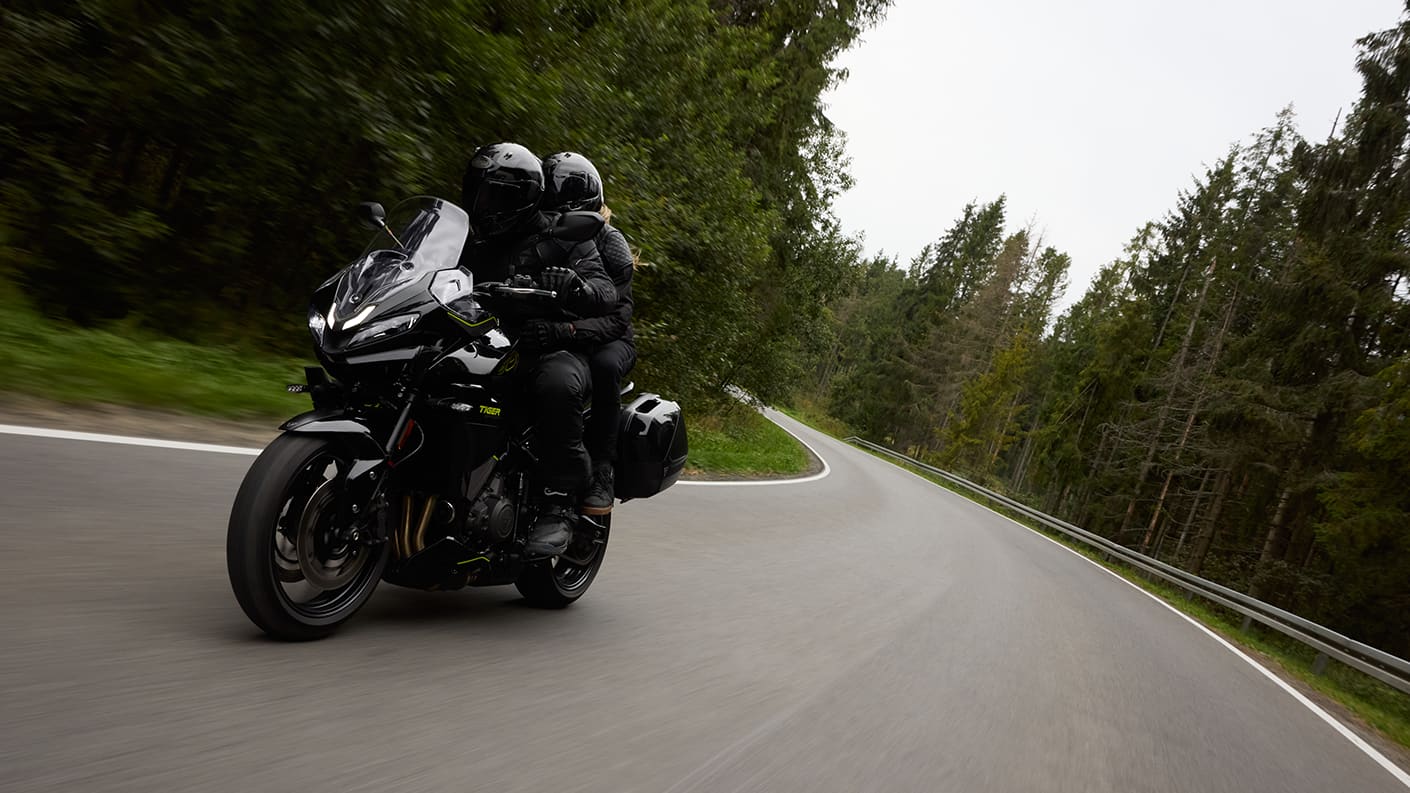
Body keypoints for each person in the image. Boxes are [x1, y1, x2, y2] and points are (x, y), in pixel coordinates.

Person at [458, 142, 617, 556]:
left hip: (553, 343)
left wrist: (574, 288)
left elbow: (604, 293)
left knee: (556, 383)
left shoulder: (564, 236)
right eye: (480, 190)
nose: (484, 203)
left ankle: (559, 501)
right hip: (485, 337)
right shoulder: (469, 235)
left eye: (496, 195)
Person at [538, 152, 635, 516]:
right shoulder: (543, 233)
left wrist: (567, 330)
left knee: (605, 365)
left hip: (610, 337)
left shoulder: (611, 245)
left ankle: (603, 470)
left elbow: (618, 318)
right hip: (563, 330)